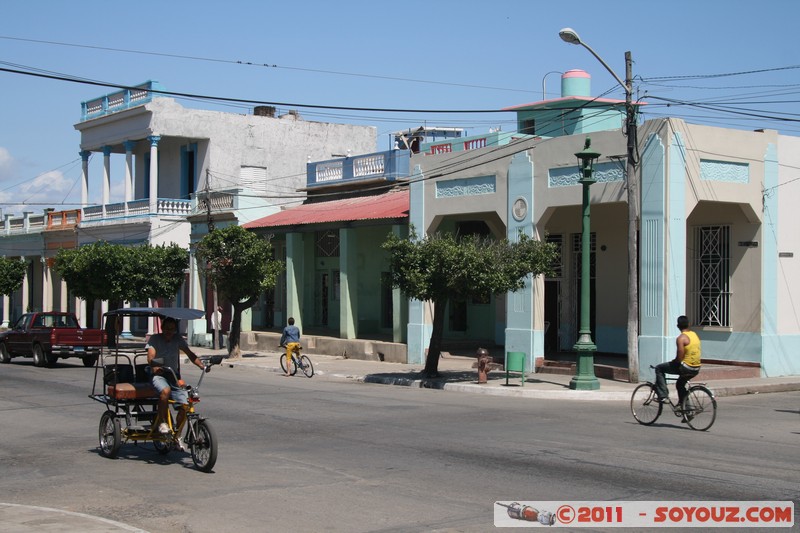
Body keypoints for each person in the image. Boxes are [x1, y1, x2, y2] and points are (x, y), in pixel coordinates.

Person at [146, 316, 206, 450]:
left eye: (172, 329)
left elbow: (190, 354)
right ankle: (162, 423)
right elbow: (150, 356)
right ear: (162, 328)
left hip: (173, 376)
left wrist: (201, 365)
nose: (169, 331)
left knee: (186, 404)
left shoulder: (178, 339)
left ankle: (177, 435)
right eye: (167, 328)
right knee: (165, 391)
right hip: (159, 374)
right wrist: (155, 365)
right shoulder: (155, 339)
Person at [655, 315, 701, 410]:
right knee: (680, 384)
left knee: (659, 368)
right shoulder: (694, 335)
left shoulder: (681, 338)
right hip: (696, 368)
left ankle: (663, 396)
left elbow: (680, 357)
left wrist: (674, 362)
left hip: (686, 367)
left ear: (678, 326)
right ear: (689, 324)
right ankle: (686, 408)